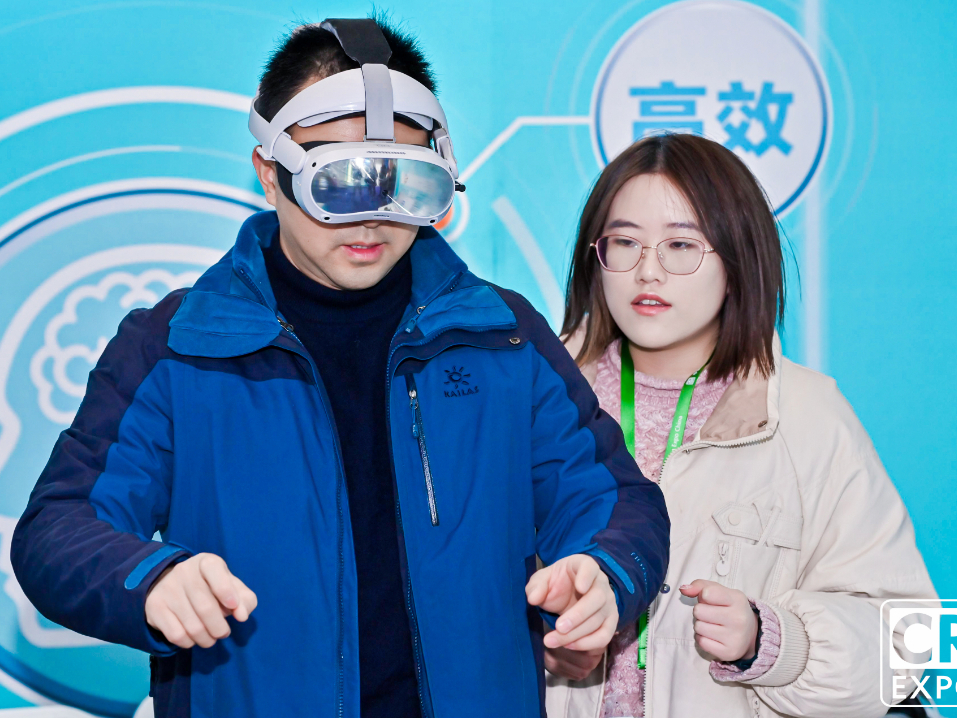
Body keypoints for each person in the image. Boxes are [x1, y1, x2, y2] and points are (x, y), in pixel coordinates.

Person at [10, 17, 669, 718]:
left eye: (403, 181)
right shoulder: (176, 347)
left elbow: (616, 501)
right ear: (270, 173)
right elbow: (58, 528)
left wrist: (603, 572)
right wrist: (149, 579)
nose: (371, 217)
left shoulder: (501, 338)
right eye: (339, 181)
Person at [545, 133, 936, 718]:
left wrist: (773, 642)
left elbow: (909, 643)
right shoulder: (536, 399)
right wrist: (538, 641)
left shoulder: (807, 416)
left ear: (737, 259)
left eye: (682, 245)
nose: (648, 271)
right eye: (624, 242)